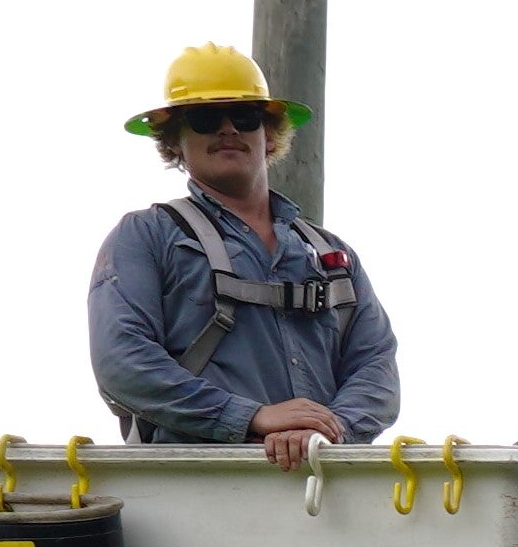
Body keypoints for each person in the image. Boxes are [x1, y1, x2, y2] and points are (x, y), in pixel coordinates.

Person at [92, 44, 395, 464]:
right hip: (197, 485)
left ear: (269, 134)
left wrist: (327, 432)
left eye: (245, 116)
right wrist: (251, 417)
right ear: (174, 141)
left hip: (324, 489)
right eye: (204, 118)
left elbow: (375, 366)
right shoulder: (146, 237)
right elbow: (123, 364)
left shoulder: (331, 254)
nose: (228, 129)